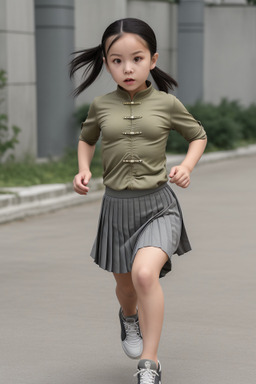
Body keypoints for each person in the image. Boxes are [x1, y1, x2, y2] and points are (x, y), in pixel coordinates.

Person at [70, 17, 207, 384]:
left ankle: (150, 362)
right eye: (116, 60)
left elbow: (198, 135)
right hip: (116, 209)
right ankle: (128, 318)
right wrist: (83, 169)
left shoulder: (167, 103)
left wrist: (187, 166)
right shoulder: (100, 105)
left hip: (158, 206)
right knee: (126, 287)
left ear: (153, 59)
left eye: (136, 58)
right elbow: (87, 139)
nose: (127, 68)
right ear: (106, 61)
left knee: (145, 275)